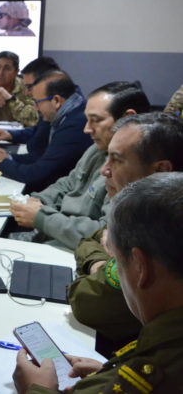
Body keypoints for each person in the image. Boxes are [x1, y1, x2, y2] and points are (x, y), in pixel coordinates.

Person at [12, 172, 183, 394]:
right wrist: (108, 373)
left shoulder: (155, 371)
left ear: (140, 268)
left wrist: (36, 389)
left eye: (117, 263)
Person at [68, 113, 183, 352]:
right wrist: (104, 258)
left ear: (161, 170)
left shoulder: (155, 234)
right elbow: (91, 239)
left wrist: (97, 265)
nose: (104, 170)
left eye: (116, 160)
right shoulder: (141, 213)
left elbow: (84, 300)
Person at [9, 82, 150, 249]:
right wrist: (38, 201)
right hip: (56, 234)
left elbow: (106, 235)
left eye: (95, 120)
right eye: (87, 120)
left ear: (126, 119)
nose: (86, 129)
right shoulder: (96, 149)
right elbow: (68, 183)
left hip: (76, 250)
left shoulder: (136, 169)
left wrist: (42, 217)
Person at [0, 71, 92, 194]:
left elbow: (36, 175)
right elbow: (45, 158)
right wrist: (9, 157)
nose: (35, 108)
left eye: (37, 102)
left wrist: (1, 163)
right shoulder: (70, 111)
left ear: (56, 101)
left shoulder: (74, 126)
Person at [0, 56, 61, 161]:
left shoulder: (68, 117)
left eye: (30, 87)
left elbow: (41, 162)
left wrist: (3, 161)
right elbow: (38, 130)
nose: (27, 92)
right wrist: (10, 135)